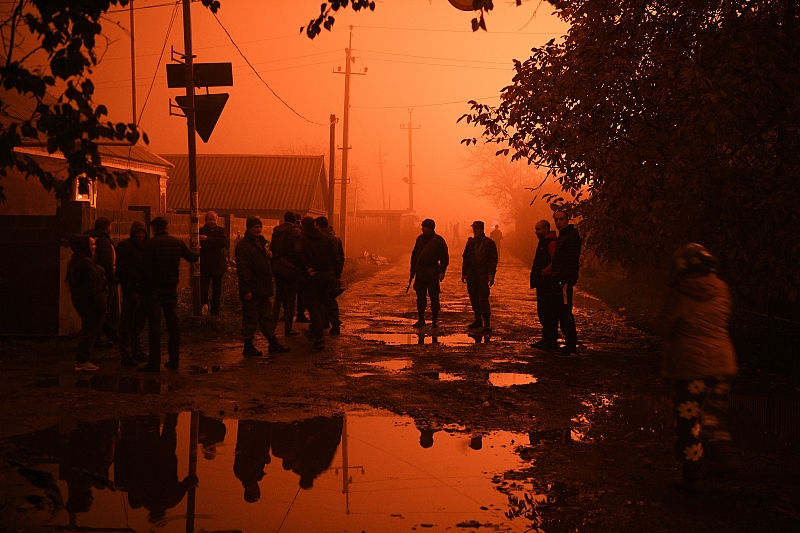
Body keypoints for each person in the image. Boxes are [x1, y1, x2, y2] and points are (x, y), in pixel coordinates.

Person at [659, 243, 738, 491]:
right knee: (713, 415)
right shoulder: (722, 288)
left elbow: (665, 326)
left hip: (690, 366)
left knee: (689, 419)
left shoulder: (677, 292)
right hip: (723, 364)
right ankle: (722, 455)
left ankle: (693, 473)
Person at [139, 216, 199, 372]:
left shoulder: (150, 244)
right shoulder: (176, 242)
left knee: (154, 326)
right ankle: (174, 360)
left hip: (154, 289)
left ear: (154, 229)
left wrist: (143, 288)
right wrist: (198, 249)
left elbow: (145, 269)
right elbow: (192, 257)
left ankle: (154, 362)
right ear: (167, 227)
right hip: (171, 288)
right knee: (173, 324)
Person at [235, 217, 290, 357]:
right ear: (249, 228)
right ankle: (248, 345)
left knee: (267, 316)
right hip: (252, 287)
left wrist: (269, 257)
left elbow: (264, 265)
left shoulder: (261, 243)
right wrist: (246, 290)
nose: (258, 229)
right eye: (255, 227)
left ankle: (272, 342)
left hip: (263, 286)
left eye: (259, 226)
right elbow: (243, 269)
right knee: (250, 317)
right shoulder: (243, 246)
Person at [66, 235, 108, 371]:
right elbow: (93, 286)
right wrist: (101, 304)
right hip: (90, 302)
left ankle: (82, 359)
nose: (94, 247)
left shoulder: (77, 261)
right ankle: (82, 360)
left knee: (88, 329)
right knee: (90, 330)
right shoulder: (85, 263)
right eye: (92, 244)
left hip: (83, 300)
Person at [298, 216, 338, 350]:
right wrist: (331, 273)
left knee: (313, 306)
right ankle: (316, 329)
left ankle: (318, 336)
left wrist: (307, 269)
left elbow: (299, 257)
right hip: (325, 276)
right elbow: (334, 257)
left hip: (311, 276)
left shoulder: (303, 240)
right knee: (321, 304)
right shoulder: (325, 239)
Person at [116, 221, 149, 366]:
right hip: (131, 290)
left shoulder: (146, 247)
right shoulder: (125, 247)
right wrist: (129, 284)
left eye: (142, 232)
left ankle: (136, 350)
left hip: (143, 290)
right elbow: (121, 269)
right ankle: (126, 353)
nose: (139, 235)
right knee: (127, 323)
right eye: (137, 232)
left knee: (139, 323)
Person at [550, 210, 582, 356]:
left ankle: (571, 345)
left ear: (567, 220)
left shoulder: (571, 237)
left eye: (561, 219)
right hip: (560, 280)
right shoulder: (563, 236)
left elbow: (571, 261)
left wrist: (565, 279)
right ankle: (570, 344)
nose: (558, 222)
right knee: (561, 311)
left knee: (565, 311)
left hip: (564, 281)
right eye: (556, 219)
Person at [410, 218, 449, 328]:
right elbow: (414, 255)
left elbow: (444, 258)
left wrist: (442, 271)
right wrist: (412, 270)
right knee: (420, 298)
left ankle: (434, 321)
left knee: (434, 298)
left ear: (430, 228)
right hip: (421, 272)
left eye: (424, 227)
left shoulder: (438, 240)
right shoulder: (420, 239)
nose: (422, 229)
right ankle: (421, 319)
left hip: (432, 272)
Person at [461, 220, 498, 334]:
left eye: (476, 228)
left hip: (483, 274)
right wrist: (464, 273)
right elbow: (466, 258)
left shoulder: (489, 243)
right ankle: (478, 320)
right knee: (473, 297)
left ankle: (486, 323)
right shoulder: (470, 242)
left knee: (483, 299)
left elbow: (493, 260)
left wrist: (491, 275)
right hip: (472, 274)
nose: (474, 230)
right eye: (474, 228)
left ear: (481, 229)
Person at [270, 211, 303, 337]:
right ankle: (288, 329)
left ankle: (272, 327)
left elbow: (272, 249)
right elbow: (298, 251)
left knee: (278, 298)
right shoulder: (295, 232)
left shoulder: (276, 231)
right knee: (291, 299)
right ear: (294, 220)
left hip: (278, 267)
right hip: (291, 269)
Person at [529, 219, 558, 350]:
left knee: (548, 311)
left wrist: (544, 272)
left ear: (546, 229)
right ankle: (546, 338)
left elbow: (555, 262)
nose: (536, 232)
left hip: (548, 283)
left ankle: (551, 340)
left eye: (539, 229)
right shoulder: (543, 242)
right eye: (536, 229)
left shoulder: (551, 243)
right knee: (542, 312)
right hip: (542, 282)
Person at [89, 217, 119, 345]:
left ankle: (103, 335)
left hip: (96, 278)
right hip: (105, 279)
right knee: (106, 308)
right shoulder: (104, 241)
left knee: (101, 308)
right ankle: (102, 336)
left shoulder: (93, 238)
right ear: (107, 227)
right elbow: (107, 262)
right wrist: (112, 277)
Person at [315, 216, 345, 335]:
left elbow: (319, 257)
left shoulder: (320, 239)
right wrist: (338, 273)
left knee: (324, 298)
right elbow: (341, 258)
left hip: (322, 273)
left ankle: (332, 322)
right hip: (332, 273)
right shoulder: (336, 239)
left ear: (318, 225)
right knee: (329, 298)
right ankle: (329, 321)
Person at [199, 211, 228, 316]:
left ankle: (215, 312)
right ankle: (204, 309)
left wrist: (208, 239)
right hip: (205, 265)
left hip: (217, 265)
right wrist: (214, 243)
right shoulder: (200, 231)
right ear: (206, 220)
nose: (212, 221)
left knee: (217, 291)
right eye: (210, 219)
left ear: (217, 220)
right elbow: (202, 247)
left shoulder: (221, 231)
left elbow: (223, 243)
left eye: (214, 219)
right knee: (204, 289)